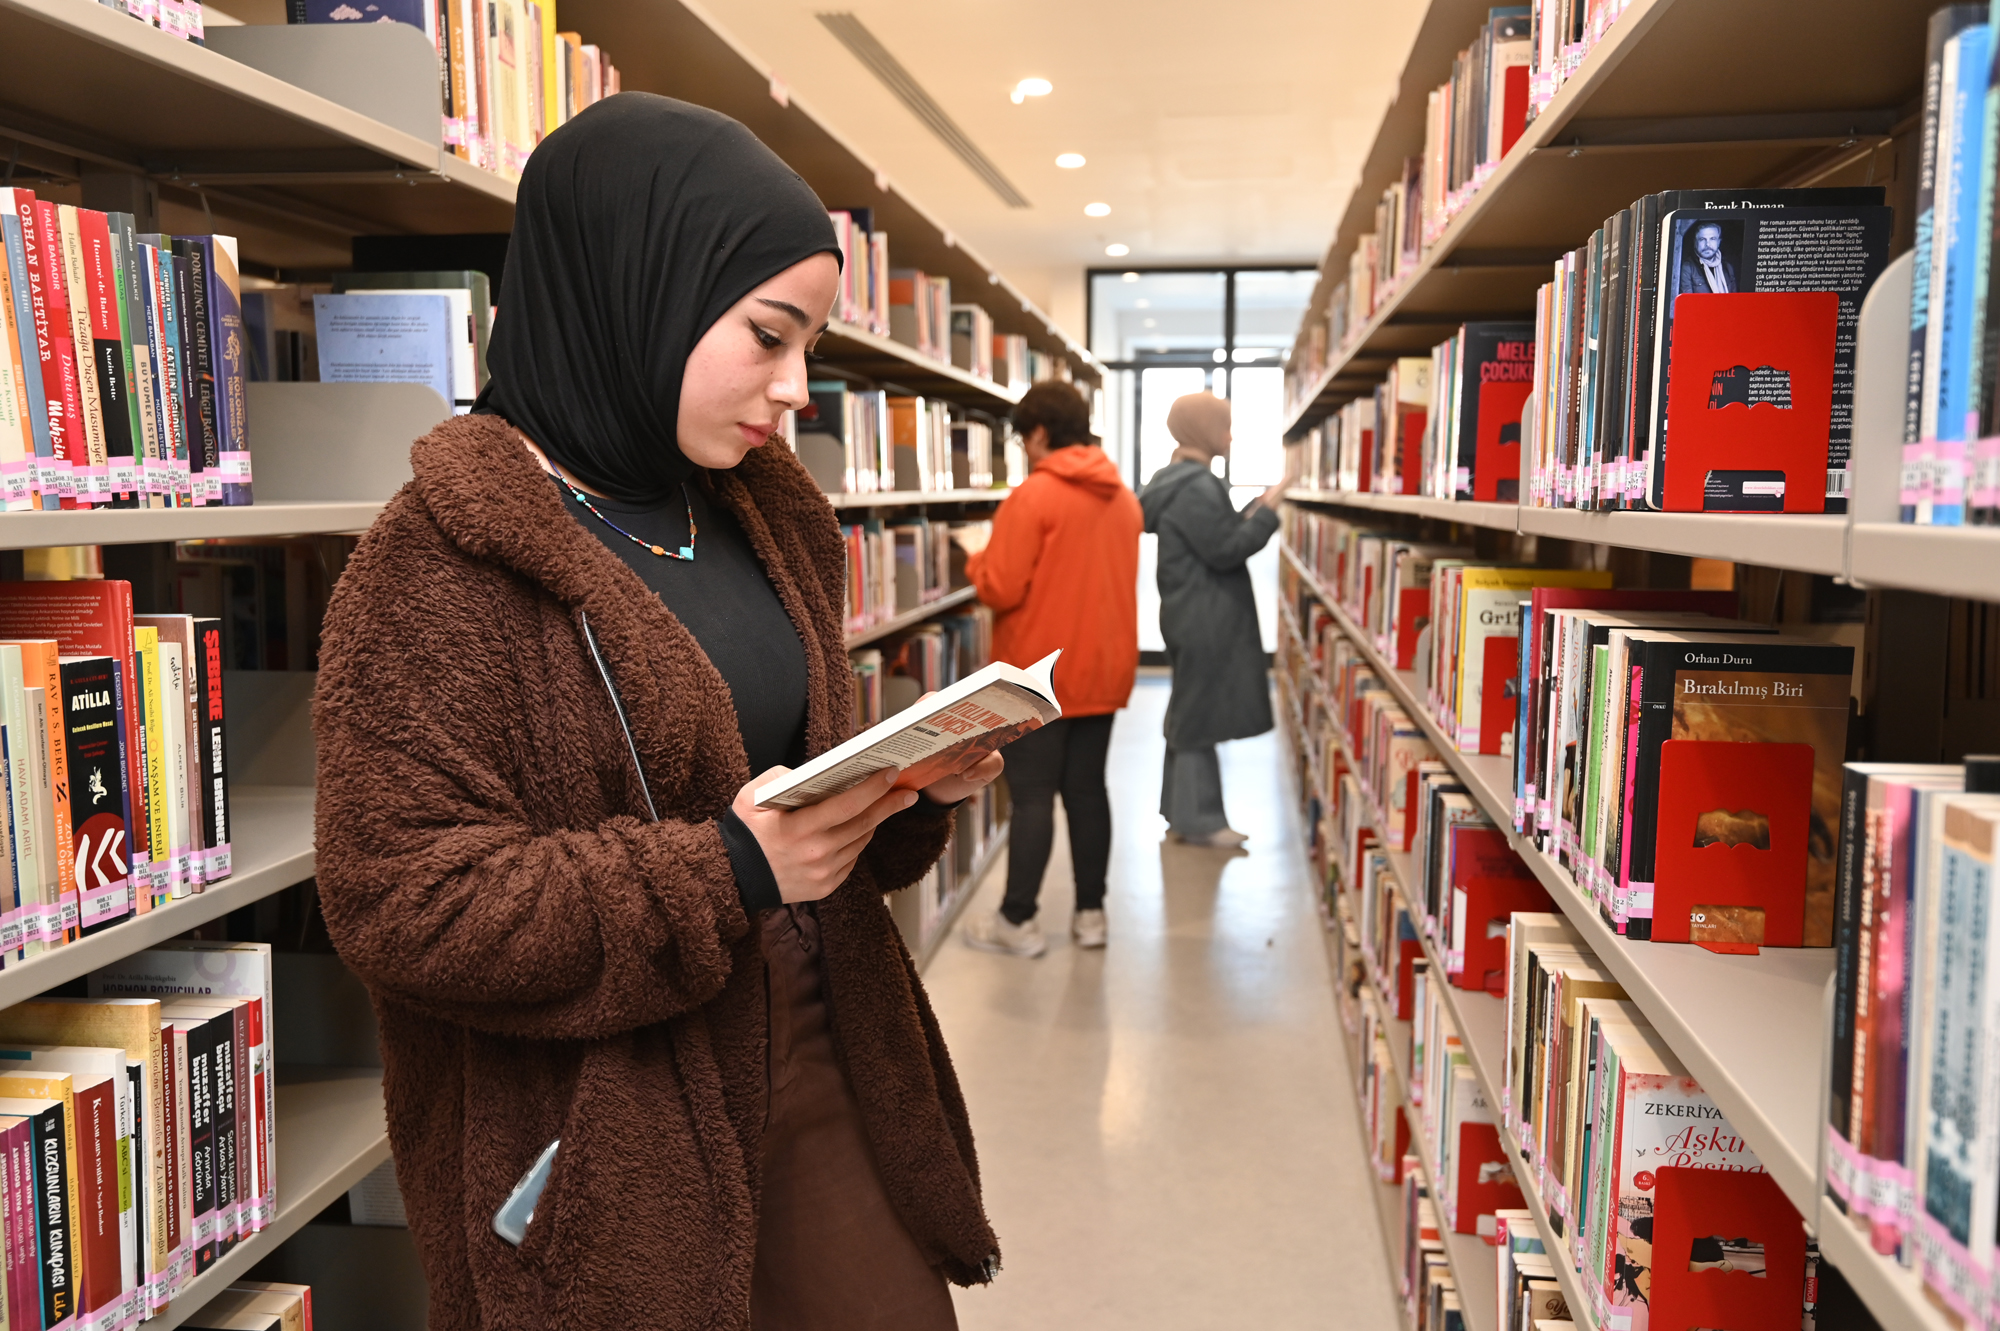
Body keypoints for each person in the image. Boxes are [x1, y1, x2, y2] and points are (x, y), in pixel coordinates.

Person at [311, 94, 1002, 1331]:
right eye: (766, 335)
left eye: (810, 347)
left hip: (821, 1049)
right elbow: (402, 900)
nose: (796, 389)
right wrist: (724, 866)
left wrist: (896, 791)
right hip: (611, 1125)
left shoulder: (759, 511)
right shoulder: (438, 564)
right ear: (640, 292)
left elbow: (781, 777)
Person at [960, 382, 1142, 957]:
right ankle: (1092, 916)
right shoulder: (1123, 497)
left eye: (1023, 437)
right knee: (1089, 792)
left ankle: (1019, 921)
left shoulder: (1033, 497)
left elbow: (1001, 587)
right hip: (1103, 669)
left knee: (1033, 796)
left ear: (1039, 433)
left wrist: (973, 555)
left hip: (1038, 675)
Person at [1139, 391, 1284, 847]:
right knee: (1196, 716)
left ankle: (1183, 815)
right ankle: (1201, 820)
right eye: (1224, 425)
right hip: (1204, 617)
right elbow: (1225, 549)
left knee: (1190, 711)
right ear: (1204, 430)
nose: (1231, 435)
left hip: (1188, 611)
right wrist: (1270, 515)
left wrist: (1251, 511)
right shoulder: (1198, 485)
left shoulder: (1181, 481)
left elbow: (1214, 534)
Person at [1676, 221, 1736, 295]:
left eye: (1712, 239)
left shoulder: (1727, 267)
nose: (1707, 244)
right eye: (1702, 239)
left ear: (1719, 242)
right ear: (1695, 242)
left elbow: (1734, 299)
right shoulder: (1688, 268)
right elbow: (1688, 302)